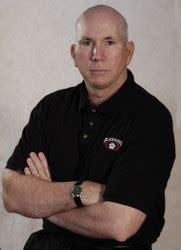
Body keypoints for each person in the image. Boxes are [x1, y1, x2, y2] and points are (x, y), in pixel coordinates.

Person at [2, 4, 175, 250]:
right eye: (86, 42)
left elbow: (120, 224)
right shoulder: (50, 108)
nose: (97, 54)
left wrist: (46, 202)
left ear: (129, 52)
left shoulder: (150, 118)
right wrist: (80, 191)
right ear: (73, 53)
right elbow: (11, 194)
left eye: (110, 42)